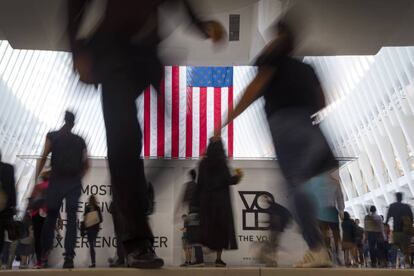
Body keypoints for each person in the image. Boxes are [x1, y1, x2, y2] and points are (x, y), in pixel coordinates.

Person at [67, 0, 225, 269]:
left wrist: (201, 25)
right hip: (114, 56)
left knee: (128, 149)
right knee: (124, 146)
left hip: (143, 59)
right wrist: (76, 50)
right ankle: (136, 242)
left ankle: (131, 231)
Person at [220, 21, 337, 268]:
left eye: (274, 36)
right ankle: (278, 246)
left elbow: (254, 89)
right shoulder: (306, 68)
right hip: (311, 127)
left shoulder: (272, 58)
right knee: (293, 188)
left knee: (294, 187)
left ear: (280, 38)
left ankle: (316, 247)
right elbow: (323, 100)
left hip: (286, 126)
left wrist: (227, 119)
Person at [36, 111, 89, 268]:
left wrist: (37, 179)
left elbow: (44, 155)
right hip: (73, 182)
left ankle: (44, 255)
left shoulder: (52, 136)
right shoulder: (80, 141)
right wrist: (77, 178)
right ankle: (69, 258)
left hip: (56, 181)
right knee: (72, 219)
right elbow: (87, 165)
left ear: (64, 121)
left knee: (51, 217)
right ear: (73, 123)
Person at [195, 138, 242, 267]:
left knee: (208, 226)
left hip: (206, 201)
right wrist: (238, 176)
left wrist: (197, 201)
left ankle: (208, 246)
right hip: (221, 202)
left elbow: (199, 183)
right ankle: (218, 258)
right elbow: (229, 181)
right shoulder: (222, 163)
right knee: (221, 229)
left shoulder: (203, 163)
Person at [305, 169, 344, 265]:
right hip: (330, 210)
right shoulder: (334, 182)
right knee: (335, 234)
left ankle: (327, 253)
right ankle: (335, 253)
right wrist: (341, 210)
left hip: (320, 211)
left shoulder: (313, 181)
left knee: (323, 233)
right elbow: (340, 197)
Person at [259, 195, 292, 267]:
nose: (264, 201)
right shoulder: (276, 207)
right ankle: (273, 262)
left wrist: (269, 224)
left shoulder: (273, 208)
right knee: (273, 246)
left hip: (275, 230)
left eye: (264, 199)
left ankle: (271, 262)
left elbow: (274, 220)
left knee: (271, 246)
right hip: (277, 230)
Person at [386, 192, 413, 268]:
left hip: (396, 230)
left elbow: (387, 218)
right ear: (402, 198)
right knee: (406, 248)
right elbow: (411, 217)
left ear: (396, 198)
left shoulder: (392, 206)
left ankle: (393, 262)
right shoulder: (406, 207)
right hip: (405, 231)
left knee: (395, 246)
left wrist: (385, 225)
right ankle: (407, 263)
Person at [29, 170, 49, 268]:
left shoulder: (37, 187)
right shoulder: (53, 187)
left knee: (38, 238)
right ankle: (45, 259)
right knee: (47, 237)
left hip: (36, 214)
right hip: (48, 214)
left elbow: (31, 202)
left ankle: (39, 262)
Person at [0, 150, 16, 254]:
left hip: (4, 206)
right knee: (1, 233)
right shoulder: (8, 168)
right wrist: (13, 205)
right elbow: (12, 188)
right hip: (4, 206)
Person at [83, 195, 103, 268]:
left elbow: (84, 219)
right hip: (95, 229)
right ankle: (93, 262)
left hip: (89, 229)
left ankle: (93, 262)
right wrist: (95, 219)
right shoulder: (97, 208)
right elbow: (101, 219)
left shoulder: (87, 208)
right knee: (92, 245)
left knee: (91, 246)